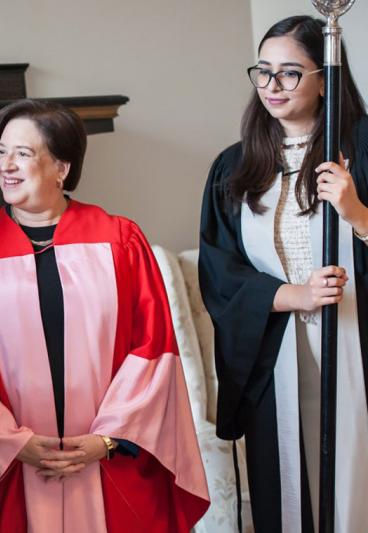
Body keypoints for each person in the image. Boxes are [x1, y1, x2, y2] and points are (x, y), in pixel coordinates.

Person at [0, 98, 209, 533]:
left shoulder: (120, 241)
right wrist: (14, 442)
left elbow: (153, 348)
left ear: (62, 167)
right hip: (10, 467)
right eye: (1, 152)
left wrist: (108, 438)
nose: (6, 164)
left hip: (109, 461)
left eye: (22, 153)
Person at [199, 15, 368, 531]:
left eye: (291, 73)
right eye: (264, 72)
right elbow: (219, 270)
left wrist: (357, 212)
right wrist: (292, 295)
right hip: (274, 353)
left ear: (326, 77)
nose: (273, 86)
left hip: (357, 348)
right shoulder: (234, 166)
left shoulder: (361, 151)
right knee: (291, 489)